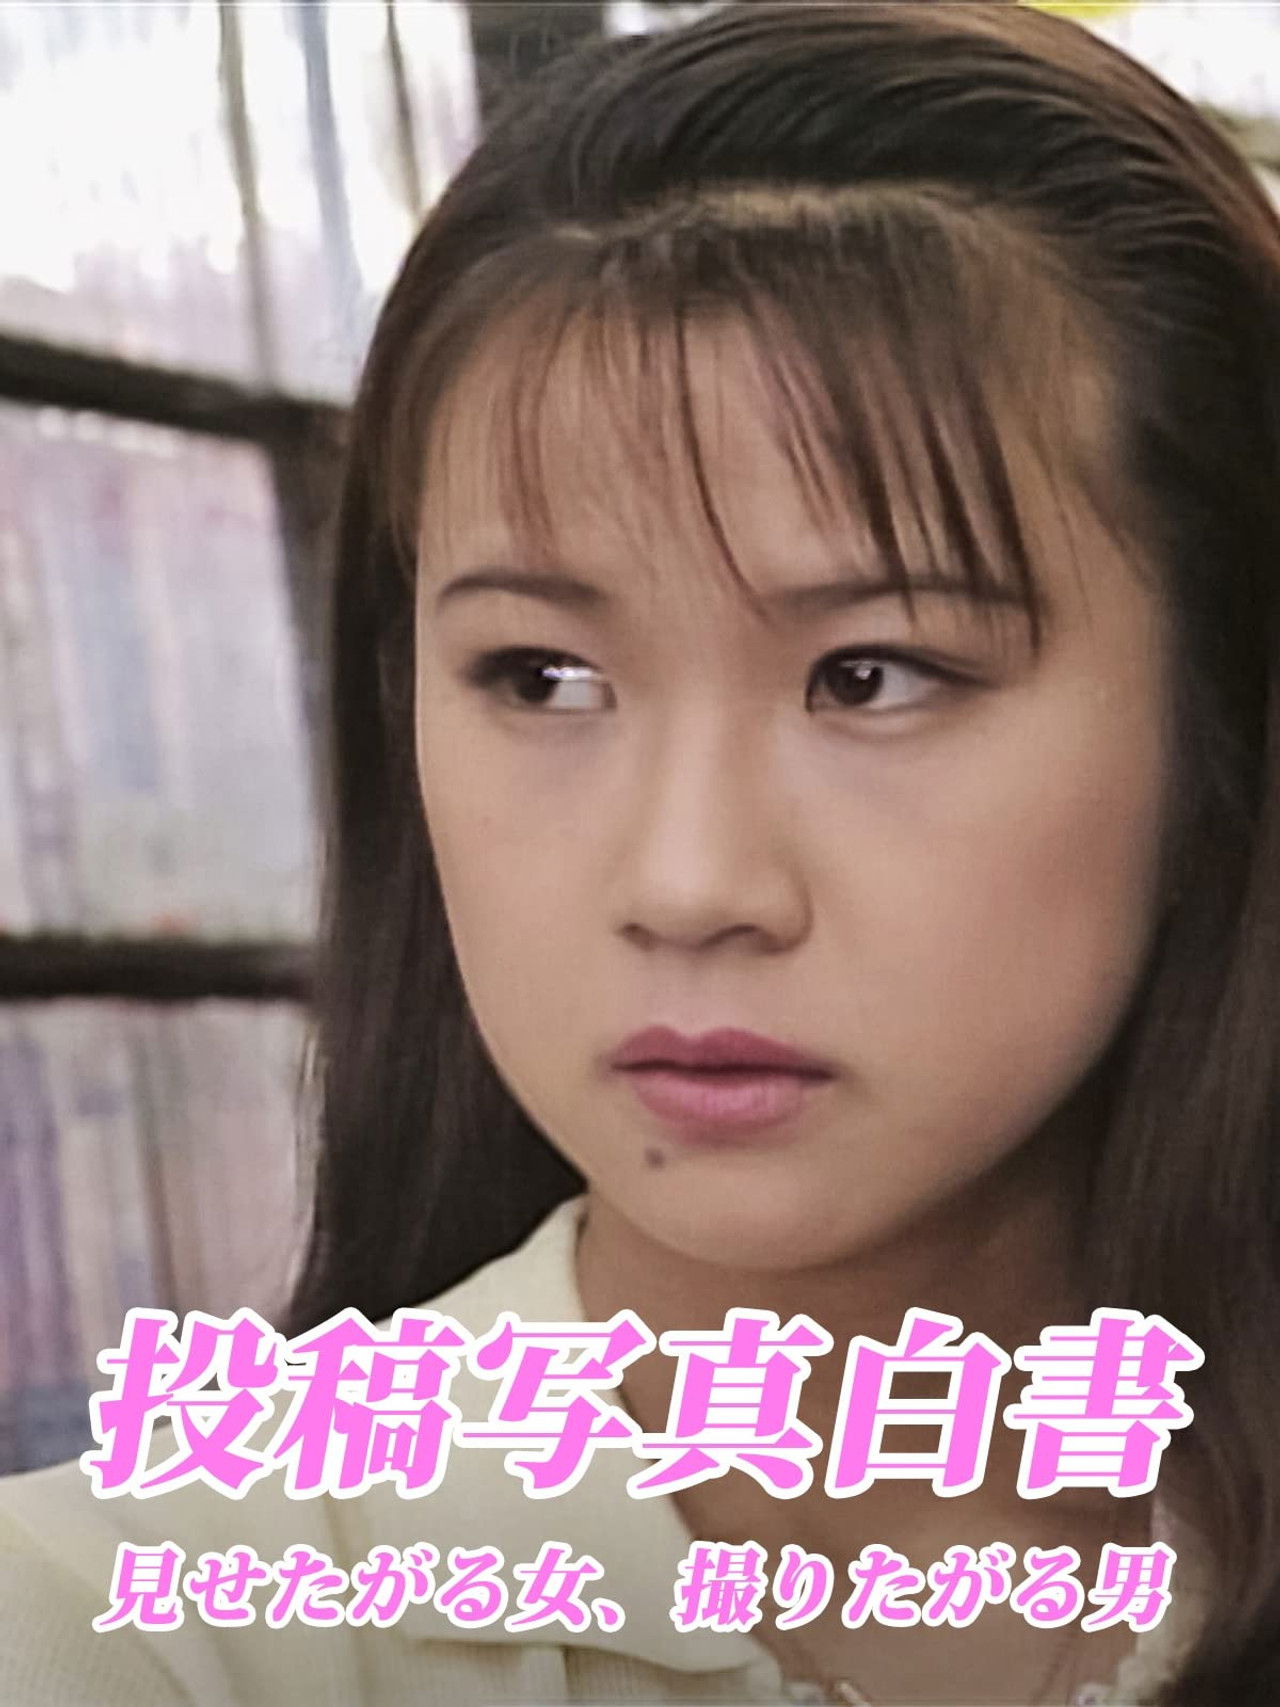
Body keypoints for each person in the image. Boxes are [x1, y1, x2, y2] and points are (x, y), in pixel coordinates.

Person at [3, 2, 1279, 1702]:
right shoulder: (127, 1632)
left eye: (873, 676)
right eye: (543, 677)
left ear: (1223, 718)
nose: (688, 884)